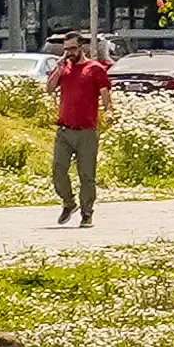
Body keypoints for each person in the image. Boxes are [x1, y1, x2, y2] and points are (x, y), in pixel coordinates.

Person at [49, 33, 112, 226]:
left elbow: (105, 93)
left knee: (87, 175)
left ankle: (87, 213)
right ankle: (69, 203)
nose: (69, 53)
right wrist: (58, 71)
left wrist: (108, 111)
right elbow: (49, 89)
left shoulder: (95, 69)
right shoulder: (64, 68)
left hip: (86, 131)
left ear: (81, 47)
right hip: (64, 130)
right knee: (58, 171)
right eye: (66, 49)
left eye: (72, 49)